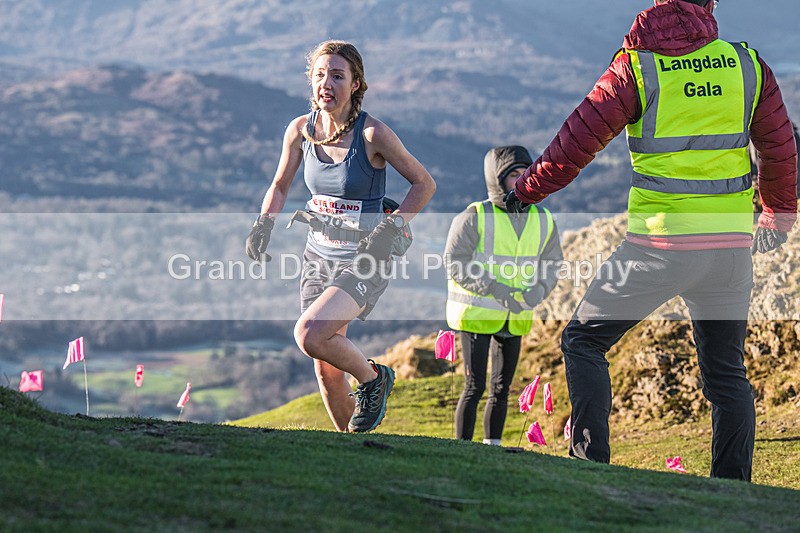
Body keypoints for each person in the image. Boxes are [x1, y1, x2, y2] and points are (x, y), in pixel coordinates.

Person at [505, 0, 797, 481]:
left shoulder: (637, 67)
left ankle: (590, 465)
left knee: (583, 340)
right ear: (710, 4)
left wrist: (525, 190)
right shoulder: (747, 64)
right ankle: (733, 488)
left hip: (660, 248)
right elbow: (779, 147)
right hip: (729, 249)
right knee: (727, 376)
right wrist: (777, 217)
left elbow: (577, 140)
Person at [245, 40, 436, 433]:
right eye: (320, 75)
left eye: (337, 75)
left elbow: (424, 184)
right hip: (317, 255)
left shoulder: (373, 134)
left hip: (364, 258)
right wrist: (263, 224)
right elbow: (280, 185)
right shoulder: (301, 130)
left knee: (309, 334)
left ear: (355, 84)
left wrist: (392, 228)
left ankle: (374, 379)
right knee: (326, 368)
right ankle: (353, 451)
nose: (326, 83)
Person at [445, 146, 562, 445]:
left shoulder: (544, 218)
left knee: (502, 388)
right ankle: (462, 448)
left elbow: (552, 264)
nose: (521, 179)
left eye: (526, 172)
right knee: (474, 387)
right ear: (496, 180)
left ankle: (492, 448)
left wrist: (539, 290)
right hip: (478, 315)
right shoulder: (475, 215)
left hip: (517, 314)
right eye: (513, 174)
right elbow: (455, 262)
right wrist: (495, 289)